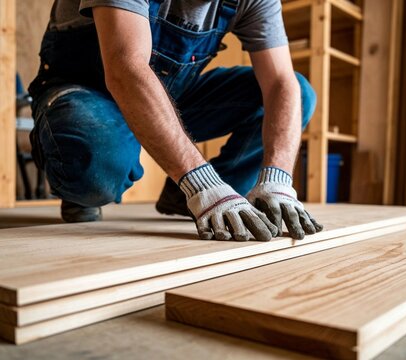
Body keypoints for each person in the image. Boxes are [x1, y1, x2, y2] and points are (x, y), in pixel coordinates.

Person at [29, 0, 323, 241]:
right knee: (97, 167)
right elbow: (125, 68)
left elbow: (280, 84)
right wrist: (199, 181)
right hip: (87, 92)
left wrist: (278, 179)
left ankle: (195, 197)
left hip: (170, 96)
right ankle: (82, 189)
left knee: (299, 95)